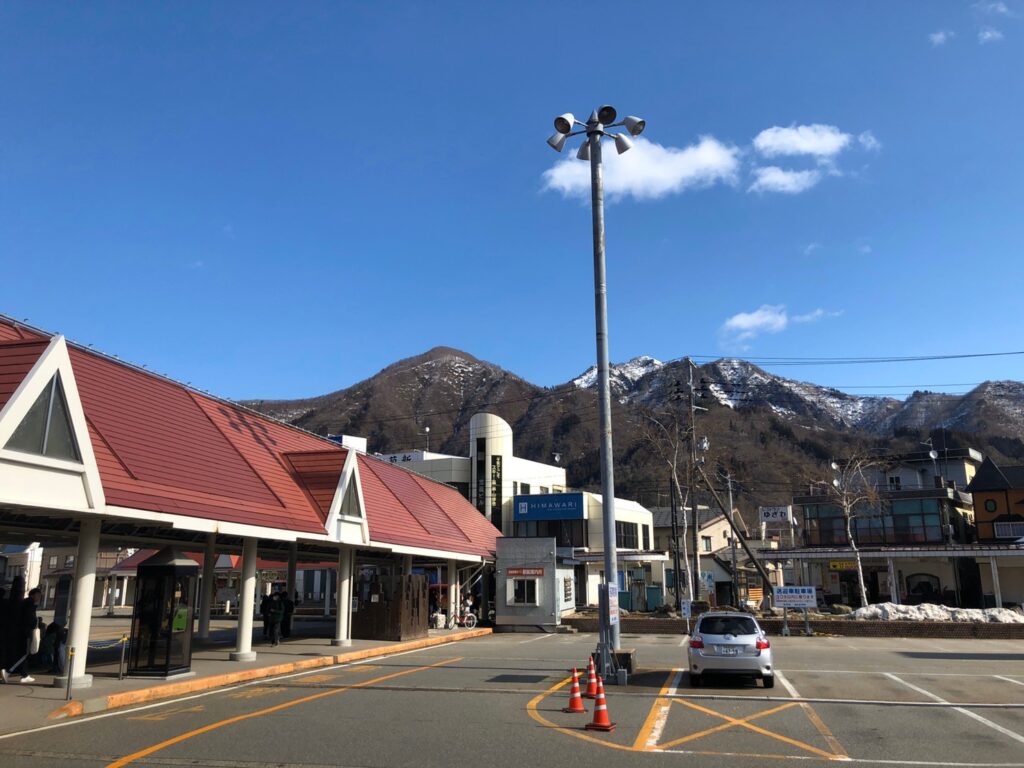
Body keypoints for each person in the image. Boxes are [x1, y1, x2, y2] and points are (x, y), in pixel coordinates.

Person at [2, 587, 41, 684]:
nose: (39, 597)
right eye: (38, 595)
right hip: (26, 632)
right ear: (32, 595)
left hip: (19, 631)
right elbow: (30, 619)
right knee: (24, 654)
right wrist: (35, 623)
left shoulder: (24, 603)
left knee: (23, 653)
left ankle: (24, 675)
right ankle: (8, 671)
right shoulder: (29, 605)